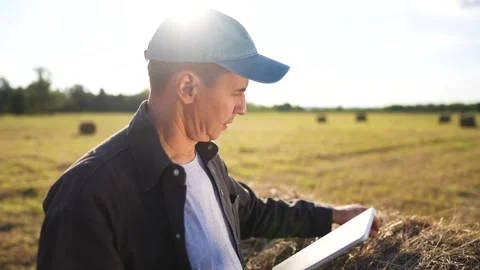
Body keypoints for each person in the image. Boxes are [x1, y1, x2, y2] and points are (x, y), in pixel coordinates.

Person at [37, 9, 380, 270]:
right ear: (187, 87)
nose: (243, 108)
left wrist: (334, 215)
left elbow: (253, 212)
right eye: (237, 92)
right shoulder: (86, 198)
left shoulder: (207, 160)